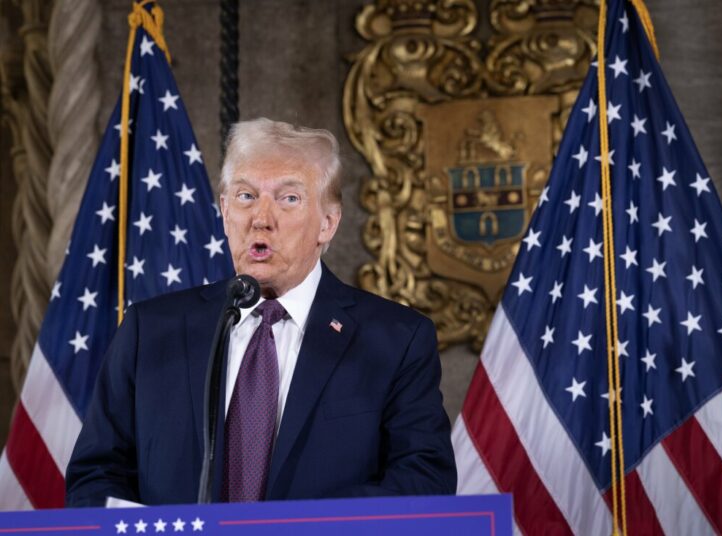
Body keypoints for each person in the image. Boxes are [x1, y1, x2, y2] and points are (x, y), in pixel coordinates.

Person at [66, 118, 456, 505]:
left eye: (289, 199)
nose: (261, 219)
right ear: (224, 211)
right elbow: (96, 476)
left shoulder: (395, 340)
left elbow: (422, 480)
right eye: (246, 196)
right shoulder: (150, 331)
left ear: (328, 223)